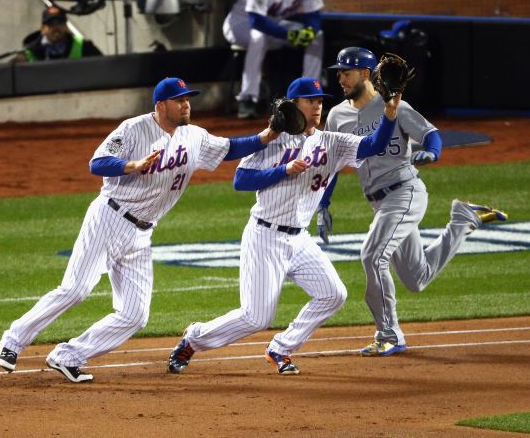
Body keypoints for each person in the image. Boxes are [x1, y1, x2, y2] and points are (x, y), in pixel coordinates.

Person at [0, 77, 279, 383]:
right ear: (160, 105)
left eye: (187, 99)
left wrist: (267, 135)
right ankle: (13, 341)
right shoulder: (133, 129)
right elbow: (98, 162)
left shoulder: (194, 136)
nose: (186, 105)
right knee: (76, 289)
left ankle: (69, 355)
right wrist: (131, 166)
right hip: (109, 218)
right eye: (179, 100)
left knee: (134, 315)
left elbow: (230, 148)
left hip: (141, 234)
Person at [168, 77, 402, 376]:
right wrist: (284, 170)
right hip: (265, 235)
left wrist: (390, 112)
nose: (317, 106)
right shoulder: (273, 140)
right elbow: (241, 180)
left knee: (334, 294)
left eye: (320, 100)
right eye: (310, 100)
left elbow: (374, 145)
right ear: (294, 105)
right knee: (256, 317)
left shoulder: (332, 141)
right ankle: (193, 339)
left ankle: (282, 348)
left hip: (299, 239)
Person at [319, 47, 507, 357]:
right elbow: (331, 164)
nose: (339, 77)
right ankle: (463, 220)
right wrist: (323, 204)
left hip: (405, 192)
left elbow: (431, 134)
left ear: (365, 75)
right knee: (416, 278)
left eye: (345, 72)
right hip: (379, 203)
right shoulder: (337, 116)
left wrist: (432, 153)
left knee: (372, 255)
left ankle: (389, 334)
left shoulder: (394, 106)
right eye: (338, 72)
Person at [223, 0, 324, 119]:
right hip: (240, 25)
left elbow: (313, 15)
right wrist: (288, 35)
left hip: (273, 27)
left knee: (317, 37)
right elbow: (257, 21)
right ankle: (247, 98)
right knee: (258, 37)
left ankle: (311, 94)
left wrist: (310, 32)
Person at [12, 6, 102, 63]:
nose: (56, 28)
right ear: (43, 29)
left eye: (60, 23)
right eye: (51, 24)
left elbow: (103, 68)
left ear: (66, 27)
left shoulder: (85, 47)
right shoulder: (27, 54)